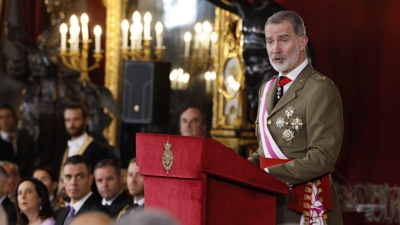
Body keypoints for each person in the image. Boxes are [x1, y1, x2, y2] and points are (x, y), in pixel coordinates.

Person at [247, 11, 343, 225]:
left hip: (305, 205)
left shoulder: (320, 88)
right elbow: (265, 150)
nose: (275, 49)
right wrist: (242, 170)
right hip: (268, 202)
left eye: (283, 40)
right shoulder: (267, 88)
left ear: (302, 42)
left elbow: (323, 156)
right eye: (270, 41)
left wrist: (267, 174)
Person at [58, 102, 111, 199]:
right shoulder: (65, 149)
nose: (71, 124)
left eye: (76, 119)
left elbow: (99, 182)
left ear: (86, 120)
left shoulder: (98, 149)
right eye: (68, 120)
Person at [55, 155, 109, 225]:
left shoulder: (98, 214)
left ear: (90, 180)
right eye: (68, 177)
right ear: (63, 180)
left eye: (80, 176)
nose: (73, 183)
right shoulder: (61, 214)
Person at [0, 104, 36, 177]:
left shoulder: (26, 137)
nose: (5, 121)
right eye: (1, 117)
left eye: (8, 116)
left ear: (15, 118)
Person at [116, 158, 144, 222]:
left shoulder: (151, 210)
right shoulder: (125, 210)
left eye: (139, 175)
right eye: (130, 175)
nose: (133, 180)